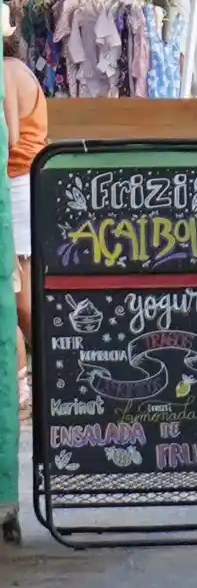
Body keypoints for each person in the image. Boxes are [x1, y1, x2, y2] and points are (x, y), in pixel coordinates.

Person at [3, 32, 45, 414]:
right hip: (27, 180)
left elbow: (10, 137)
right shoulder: (21, 69)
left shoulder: (5, 71)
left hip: (16, 182)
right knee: (23, 292)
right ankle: (46, 377)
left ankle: (30, 385)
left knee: (17, 296)